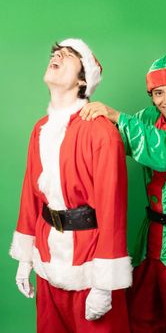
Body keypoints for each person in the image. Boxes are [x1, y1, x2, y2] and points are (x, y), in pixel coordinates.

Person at [79, 53, 166, 333]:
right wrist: (76, 115)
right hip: (151, 239)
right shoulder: (147, 119)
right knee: (139, 322)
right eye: (158, 93)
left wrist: (117, 116)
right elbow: (111, 142)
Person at [10, 38, 132, 333]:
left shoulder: (101, 132)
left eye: (70, 55)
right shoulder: (40, 128)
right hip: (47, 257)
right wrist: (25, 259)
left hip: (90, 264)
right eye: (56, 52)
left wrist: (105, 285)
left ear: (83, 78)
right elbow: (30, 196)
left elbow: (112, 209)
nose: (58, 55)